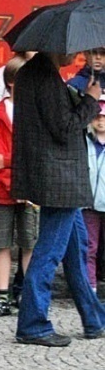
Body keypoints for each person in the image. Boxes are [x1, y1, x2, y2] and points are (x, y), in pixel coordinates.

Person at [12, 51, 105, 346]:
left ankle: (94, 319)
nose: (75, 54)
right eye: (72, 49)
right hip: (60, 178)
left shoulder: (31, 73)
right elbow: (64, 128)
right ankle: (33, 324)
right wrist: (91, 100)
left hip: (55, 176)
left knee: (76, 252)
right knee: (49, 252)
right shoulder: (45, 77)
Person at [0, 55, 35, 315]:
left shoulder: (36, 112)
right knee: (1, 242)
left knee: (29, 243)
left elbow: (34, 153)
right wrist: (11, 177)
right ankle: (2, 295)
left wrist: (9, 162)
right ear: (12, 83)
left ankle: (26, 294)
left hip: (30, 189)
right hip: (3, 189)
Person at [84, 100, 105, 292]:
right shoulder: (85, 141)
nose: (101, 121)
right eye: (97, 117)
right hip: (89, 203)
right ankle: (90, 287)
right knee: (89, 246)